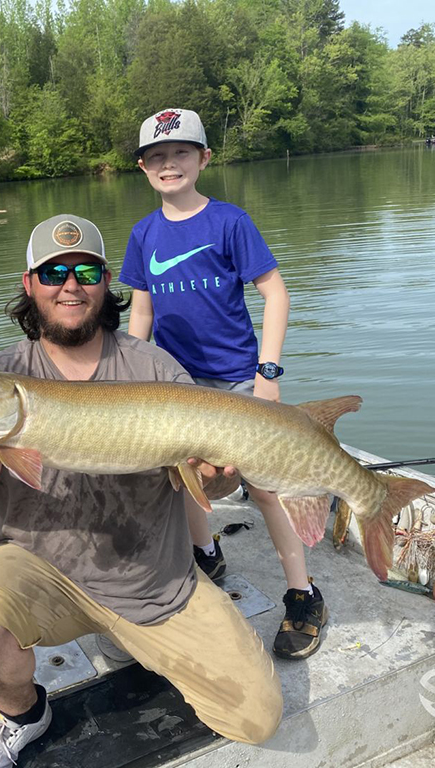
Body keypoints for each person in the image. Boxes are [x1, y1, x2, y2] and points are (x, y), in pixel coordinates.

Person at [0, 214, 282, 768]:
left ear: (104, 283)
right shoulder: (0, 376)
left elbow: (215, 475)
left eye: (84, 271)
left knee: (258, 717)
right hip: (39, 568)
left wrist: (222, 476)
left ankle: (122, 637)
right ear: (29, 285)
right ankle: (22, 715)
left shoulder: (153, 368)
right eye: (52, 272)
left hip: (152, 580)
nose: (69, 284)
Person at [120, 108, 328, 660]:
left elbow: (276, 294)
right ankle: (206, 552)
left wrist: (268, 373)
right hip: (175, 386)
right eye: (158, 158)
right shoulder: (143, 234)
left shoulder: (231, 222)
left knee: (264, 486)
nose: (170, 165)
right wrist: (131, 377)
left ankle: (303, 593)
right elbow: (140, 316)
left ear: (204, 159)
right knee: (181, 475)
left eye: (182, 153)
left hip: (238, 378)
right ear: (144, 168)